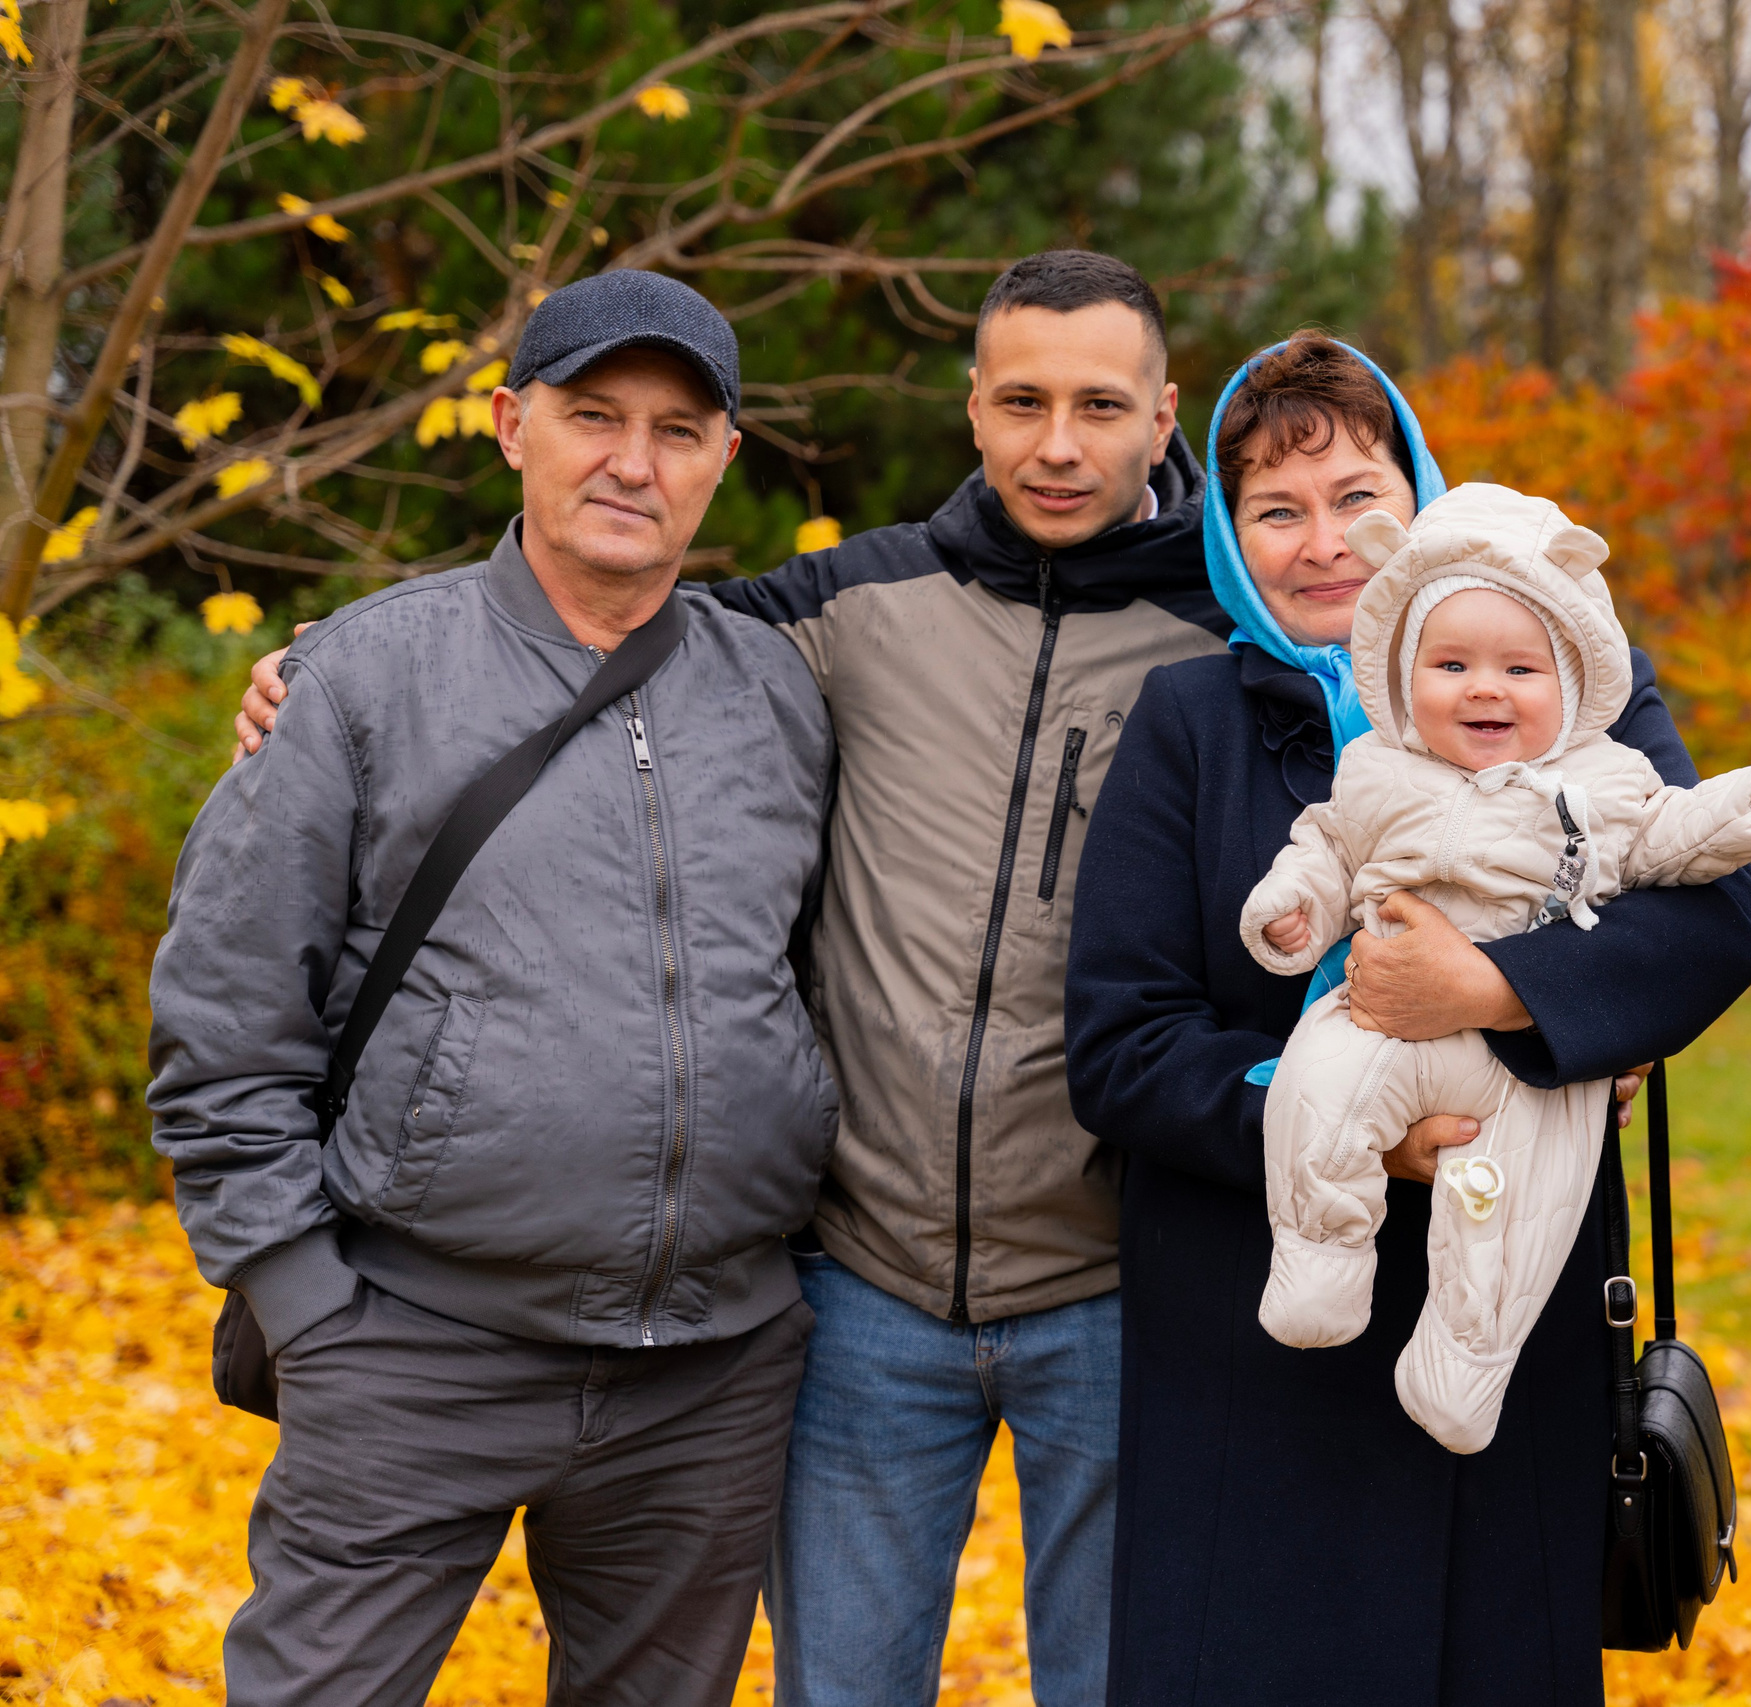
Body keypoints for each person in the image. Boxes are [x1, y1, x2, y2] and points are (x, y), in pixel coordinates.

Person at [233, 251, 1226, 1707]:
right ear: (972, 407)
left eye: (1099, 405)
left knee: (1119, 1681)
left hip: (1112, 1284)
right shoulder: (846, 605)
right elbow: (584, 599)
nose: (1058, 444)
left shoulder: (1241, 638)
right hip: (867, 1289)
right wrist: (328, 666)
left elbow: (1456, 679)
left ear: (1163, 412)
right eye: (1022, 401)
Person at [149, 272, 838, 1704]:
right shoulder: (360, 680)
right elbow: (223, 1021)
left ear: (725, 457)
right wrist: (306, 1308)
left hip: (707, 1377)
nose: (633, 462)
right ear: (514, 425)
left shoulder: (779, 694)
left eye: (676, 430)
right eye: (594, 417)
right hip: (411, 1350)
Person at [1063, 332, 1751, 1705]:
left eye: (1358, 497)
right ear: (1228, 534)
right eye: (1277, 509)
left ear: (1419, 499)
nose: (1324, 542)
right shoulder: (1190, 720)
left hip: (1513, 1300)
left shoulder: (1569, 682)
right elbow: (1122, 1040)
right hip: (1254, 1332)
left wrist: (1494, 994)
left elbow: (1710, 925)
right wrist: (1334, 1121)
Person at [1243, 481, 1751, 1452]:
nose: (1484, 688)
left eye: (1519, 667)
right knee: (1318, 1091)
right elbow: (1328, 845)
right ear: (1403, 674)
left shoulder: (1606, 778)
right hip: (1385, 1021)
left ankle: (1463, 1371)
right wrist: (1295, 905)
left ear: (1574, 683)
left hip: (1531, 1062)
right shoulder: (1379, 767)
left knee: (1509, 1218)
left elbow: (1665, 839)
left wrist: (1742, 807)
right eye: (1450, 664)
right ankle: (1318, 1265)